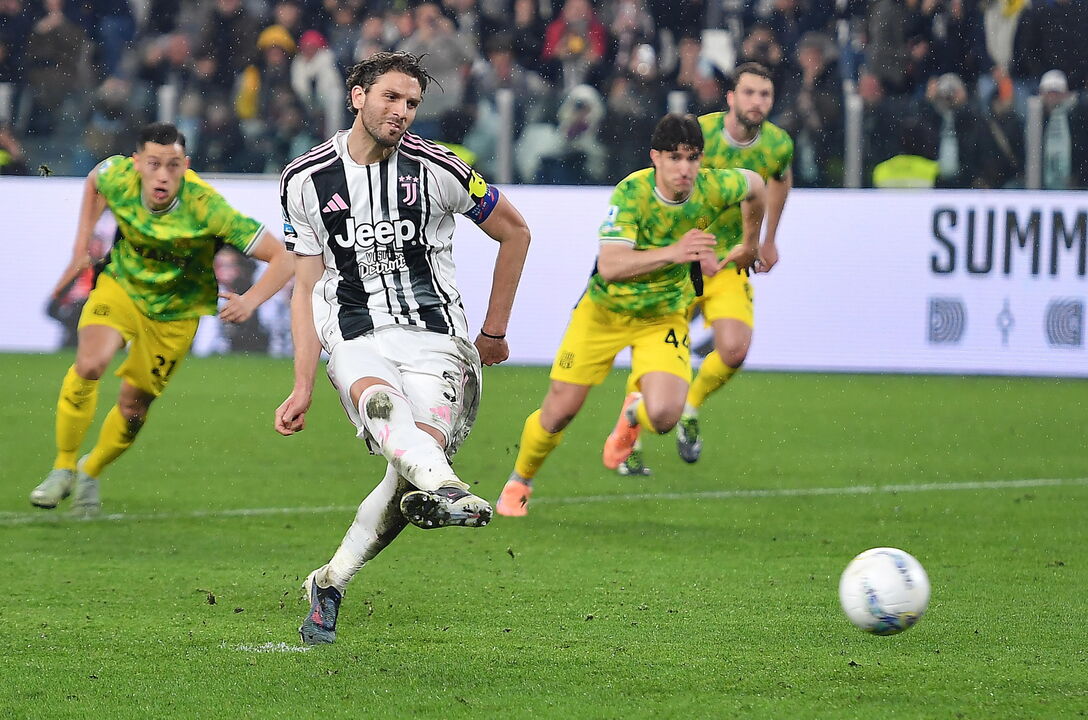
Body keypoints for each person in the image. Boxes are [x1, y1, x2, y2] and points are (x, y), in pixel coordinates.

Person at [275, 51, 531, 645]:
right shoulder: (304, 179)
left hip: (438, 339)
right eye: (391, 97)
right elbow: (307, 284)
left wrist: (493, 331)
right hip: (355, 333)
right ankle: (452, 492)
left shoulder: (441, 170)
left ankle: (331, 581)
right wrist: (304, 382)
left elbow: (515, 231)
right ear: (357, 96)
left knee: (408, 470)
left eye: (412, 103)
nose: (403, 112)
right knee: (387, 415)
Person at [494, 113, 765, 518]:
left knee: (664, 416)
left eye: (692, 159)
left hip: (663, 317)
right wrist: (676, 252)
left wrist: (749, 243)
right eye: (674, 158)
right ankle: (520, 481)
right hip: (603, 313)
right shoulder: (632, 194)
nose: (684, 169)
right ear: (655, 157)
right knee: (559, 412)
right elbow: (611, 264)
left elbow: (757, 186)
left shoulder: (714, 186)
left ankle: (632, 413)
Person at [29, 122, 293, 516]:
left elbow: (284, 257)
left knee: (134, 408)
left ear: (185, 166)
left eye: (173, 166)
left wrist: (252, 300)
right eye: (154, 164)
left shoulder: (207, 207)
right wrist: (82, 245)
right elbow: (93, 181)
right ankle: (63, 466)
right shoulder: (116, 176)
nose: (163, 175)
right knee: (89, 364)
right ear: (137, 164)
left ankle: (91, 468)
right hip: (121, 288)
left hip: (176, 313)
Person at [611, 62, 793, 474]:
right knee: (654, 345)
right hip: (683, 258)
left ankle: (687, 409)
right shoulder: (700, 135)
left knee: (734, 348)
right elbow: (670, 186)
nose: (757, 101)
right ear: (730, 97)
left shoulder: (778, 144)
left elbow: (779, 180)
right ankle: (628, 440)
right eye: (748, 93)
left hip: (730, 260)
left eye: (764, 94)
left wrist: (766, 239)